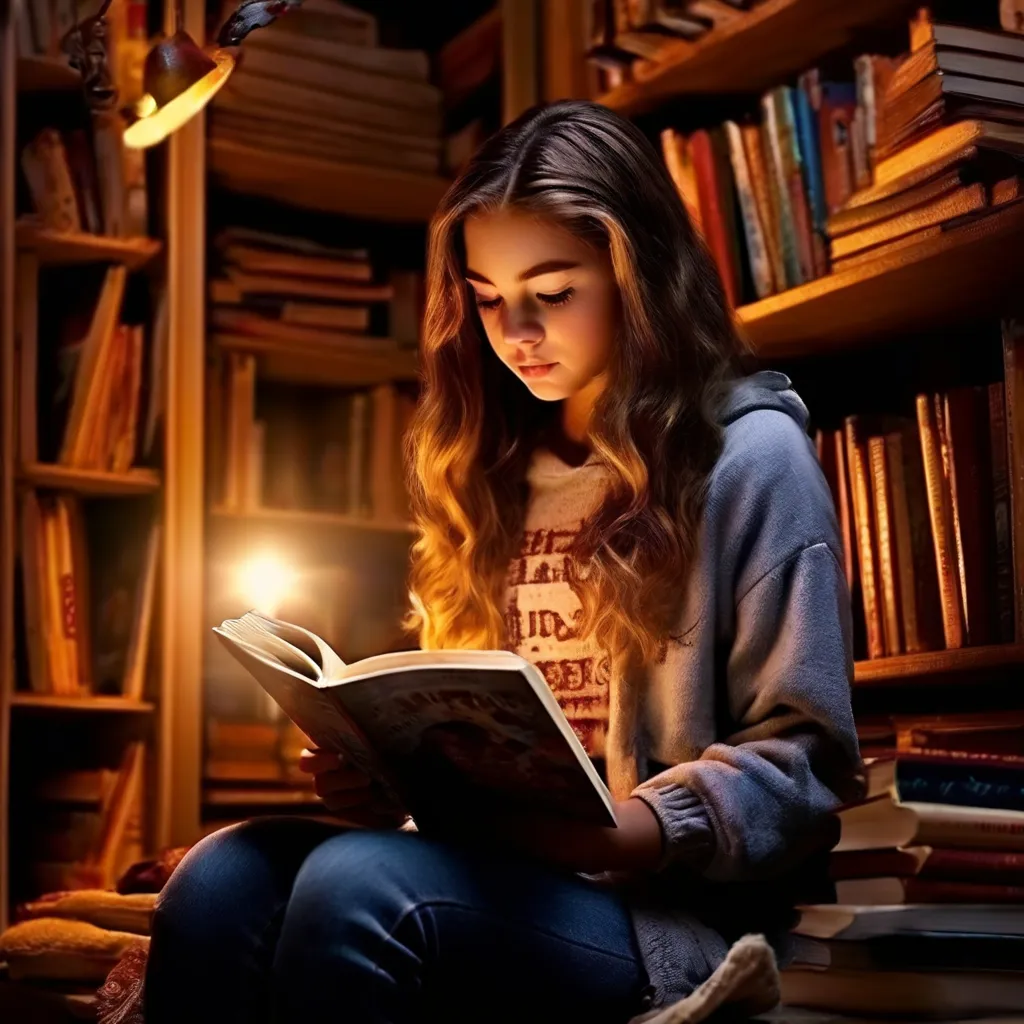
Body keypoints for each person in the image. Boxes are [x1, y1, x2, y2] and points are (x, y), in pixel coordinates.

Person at [145, 100, 861, 1024]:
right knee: (220, 875)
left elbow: (804, 767)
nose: (515, 331)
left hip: (662, 913)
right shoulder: (485, 472)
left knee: (361, 886)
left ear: (637, 277)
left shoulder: (750, 461)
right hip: (494, 873)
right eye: (487, 298)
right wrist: (383, 780)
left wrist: (623, 829)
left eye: (553, 293)